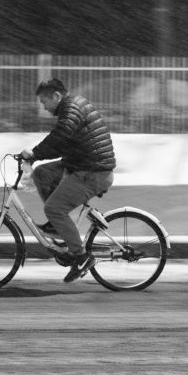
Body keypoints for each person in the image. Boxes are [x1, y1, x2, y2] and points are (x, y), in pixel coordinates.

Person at [21, 78, 116, 283]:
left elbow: (60, 138)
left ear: (56, 96)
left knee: (54, 209)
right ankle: (57, 226)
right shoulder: (71, 106)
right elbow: (61, 140)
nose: (44, 107)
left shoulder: (71, 108)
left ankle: (81, 257)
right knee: (42, 174)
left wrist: (34, 153)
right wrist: (35, 157)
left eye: (44, 101)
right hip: (82, 164)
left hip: (93, 171)